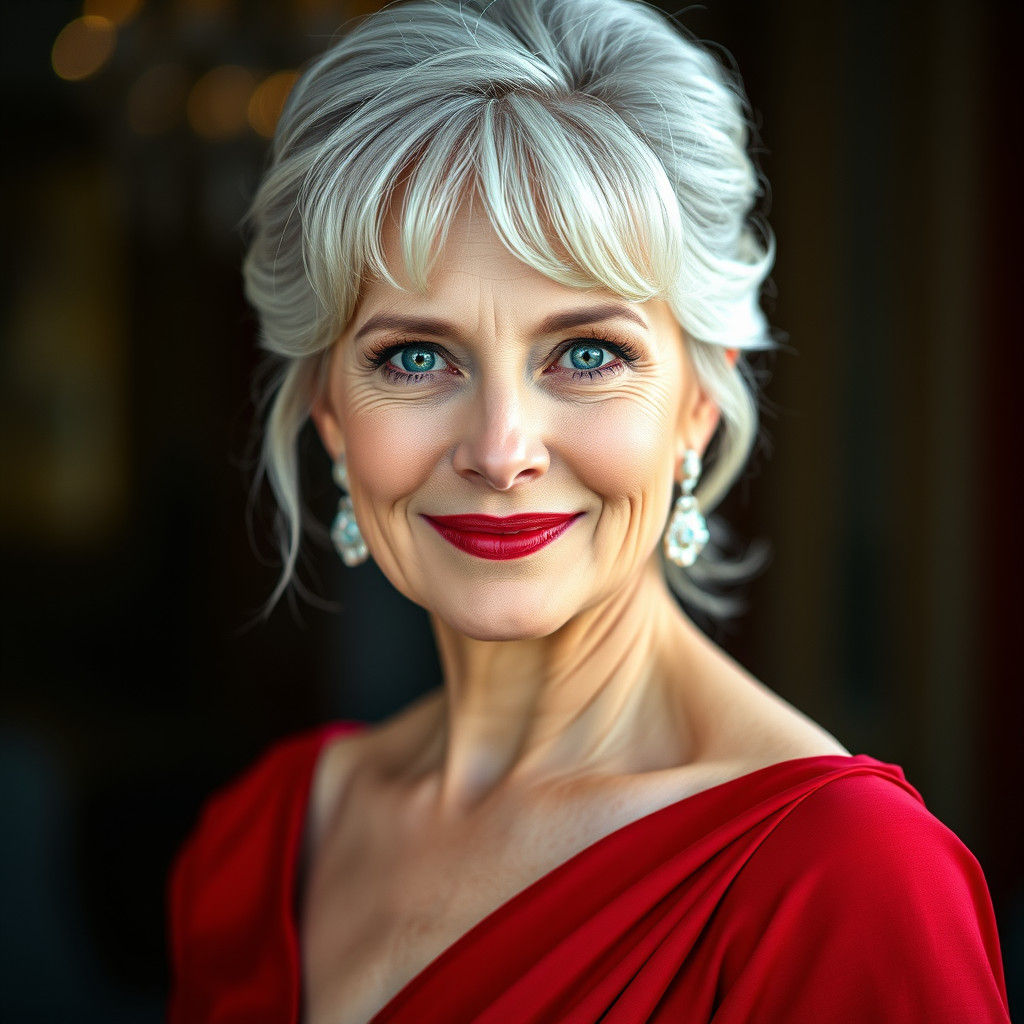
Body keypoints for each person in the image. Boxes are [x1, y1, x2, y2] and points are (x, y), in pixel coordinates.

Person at [166, 0, 1011, 1021]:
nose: (500, 451)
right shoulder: (258, 842)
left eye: (587, 353)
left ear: (698, 401)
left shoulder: (845, 883)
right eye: (416, 357)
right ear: (330, 414)